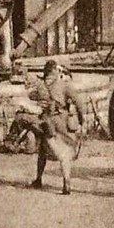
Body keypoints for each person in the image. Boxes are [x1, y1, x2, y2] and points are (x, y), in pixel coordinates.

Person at [30, 60, 86, 190]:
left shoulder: (41, 85)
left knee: (43, 151)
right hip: (62, 121)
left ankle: (38, 179)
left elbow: (32, 96)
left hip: (46, 121)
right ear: (56, 70)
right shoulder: (64, 85)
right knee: (65, 152)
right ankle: (66, 182)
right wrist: (82, 120)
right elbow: (79, 103)